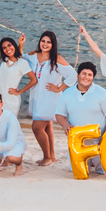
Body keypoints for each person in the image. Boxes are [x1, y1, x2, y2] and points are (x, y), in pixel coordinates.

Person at [54, 62, 106, 175]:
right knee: (77, 171)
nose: (86, 77)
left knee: (102, 171)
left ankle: (96, 161)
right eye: (84, 73)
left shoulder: (102, 93)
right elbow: (59, 114)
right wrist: (66, 125)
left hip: (98, 142)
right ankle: (88, 161)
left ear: (93, 77)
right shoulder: (67, 93)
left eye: (89, 75)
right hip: (77, 143)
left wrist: (105, 136)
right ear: (78, 75)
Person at [24, 30, 76, 167]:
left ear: (53, 44)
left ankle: (46, 157)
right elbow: (19, 58)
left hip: (50, 98)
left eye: (48, 42)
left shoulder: (56, 59)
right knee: (47, 127)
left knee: (36, 128)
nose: (45, 44)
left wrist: (59, 88)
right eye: (43, 41)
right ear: (39, 42)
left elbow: (72, 75)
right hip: (37, 97)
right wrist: (21, 45)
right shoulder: (34, 56)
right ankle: (51, 156)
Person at [0, 15, 36, 119]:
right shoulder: (6, 60)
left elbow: (34, 80)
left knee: (9, 125)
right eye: (4, 47)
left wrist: (19, 91)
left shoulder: (22, 63)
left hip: (12, 100)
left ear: (14, 45)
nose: (7, 49)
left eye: (9, 45)